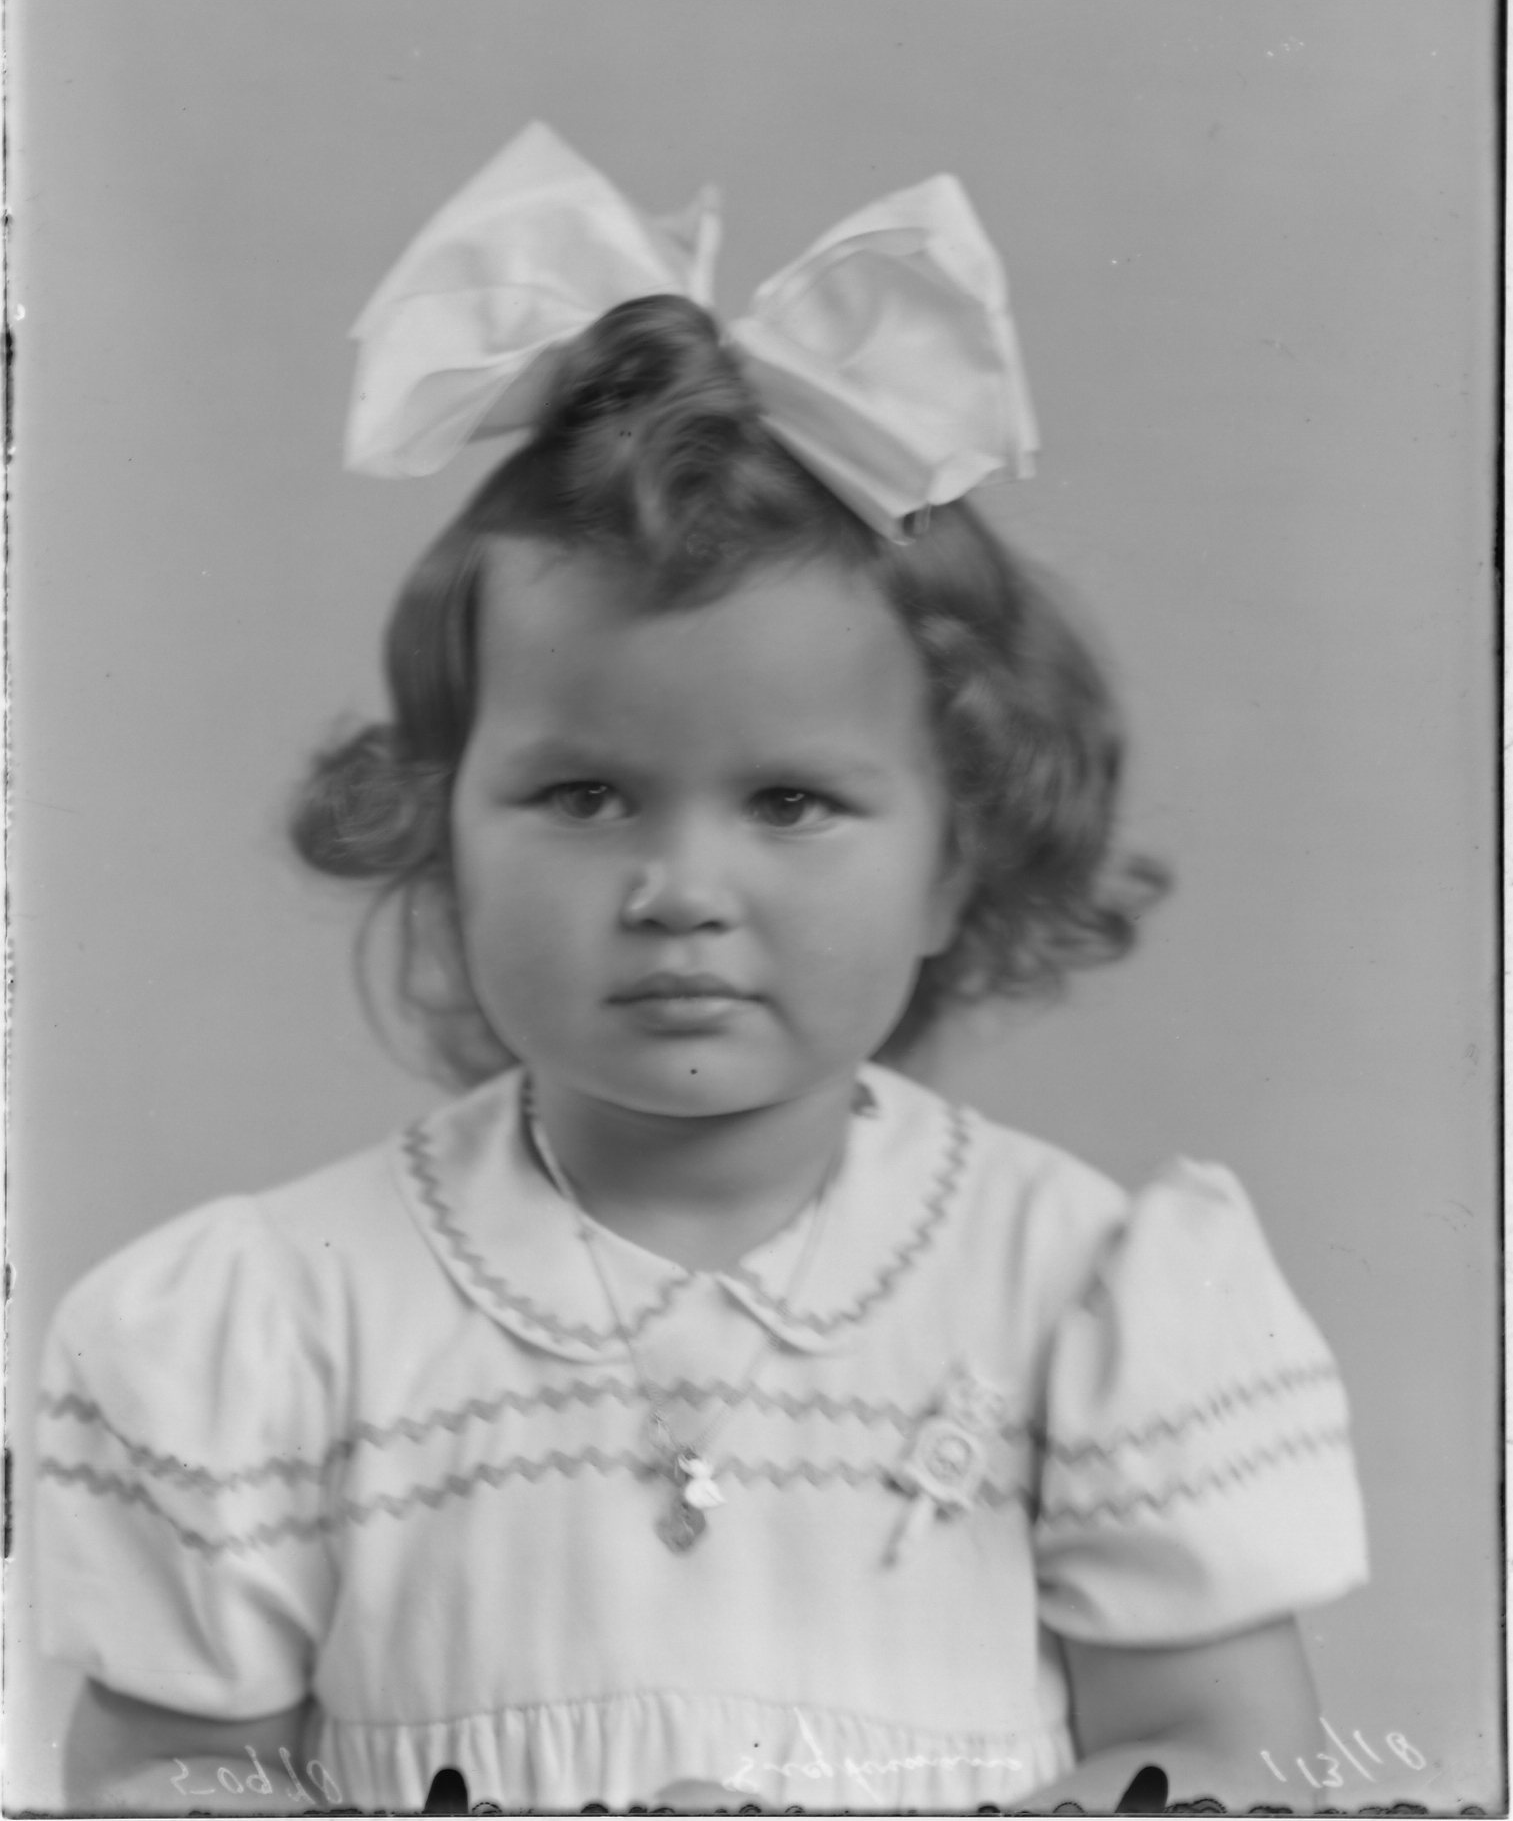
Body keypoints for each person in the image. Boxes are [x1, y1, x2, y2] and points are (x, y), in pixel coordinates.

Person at [40, 126, 1367, 1815]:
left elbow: (1230, 1757)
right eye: (583, 796)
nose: (678, 892)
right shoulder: (280, 1329)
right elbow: (165, 1777)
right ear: (438, 827)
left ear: (955, 857)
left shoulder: (1075, 1299)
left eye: (791, 803)